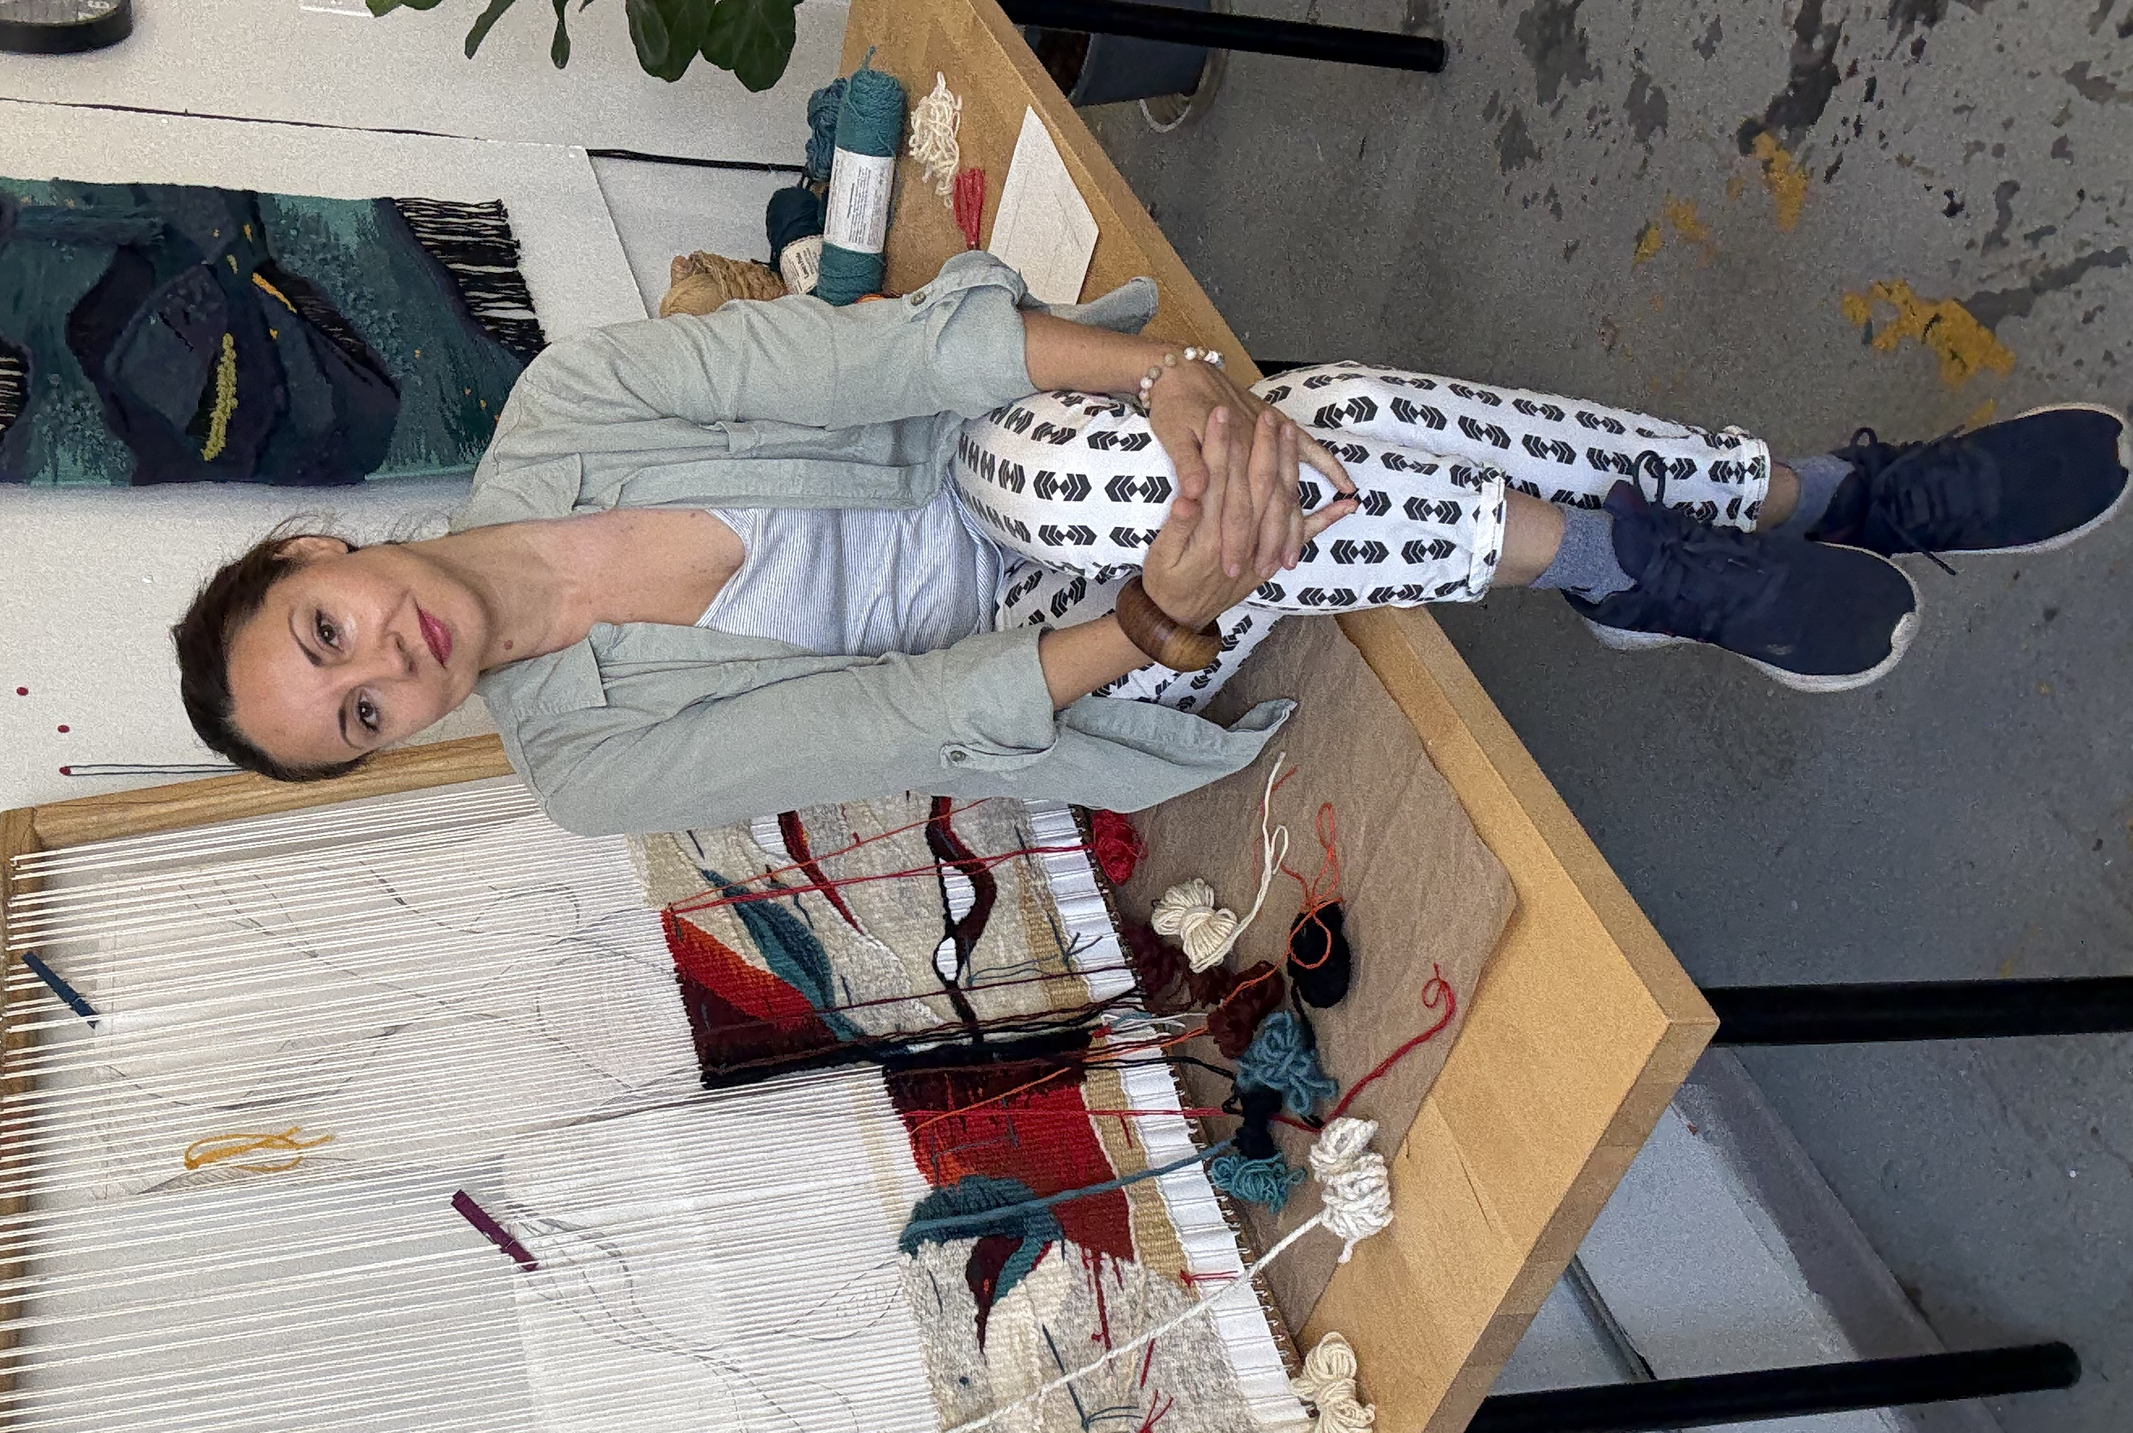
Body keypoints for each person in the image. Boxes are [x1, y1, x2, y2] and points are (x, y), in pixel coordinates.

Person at [174, 251, 2129, 835]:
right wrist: (1162, 624)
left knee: (1249, 436)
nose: (383, 669)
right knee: (1274, 463)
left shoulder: (567, 411)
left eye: (327, 630)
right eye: (350, 717)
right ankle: (1793, 493)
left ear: (322, 553)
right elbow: (903, 719)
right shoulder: (584, 766)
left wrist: (1176, 377)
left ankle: (1665, 554)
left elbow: (895, 355)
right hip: (1040, 638)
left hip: (996, 451)